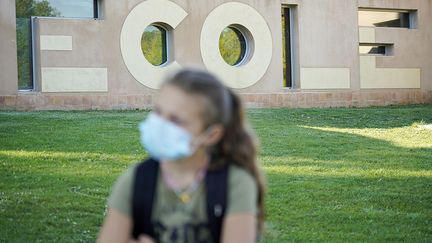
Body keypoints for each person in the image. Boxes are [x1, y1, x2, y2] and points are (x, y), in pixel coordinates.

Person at [98, 69, 265, 243]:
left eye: (176, 120)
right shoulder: (136, 180)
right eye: (158, 112)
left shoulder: (235, 184)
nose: (161, 125)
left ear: (210, 135)